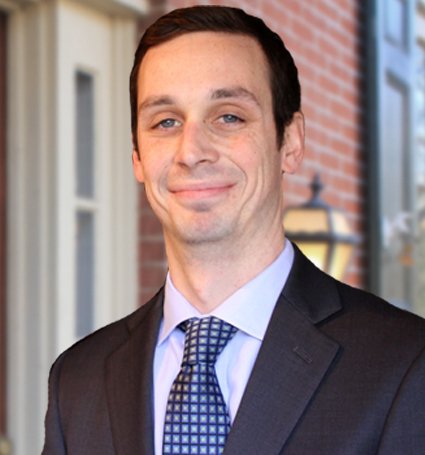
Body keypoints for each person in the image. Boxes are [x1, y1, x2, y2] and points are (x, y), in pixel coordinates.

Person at [42, 6, 425, 455]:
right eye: (166, 121)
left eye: (228, 117)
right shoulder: (77, 380)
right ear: (138, 159)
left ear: (291, 141)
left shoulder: (403, 365)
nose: (191, 152)